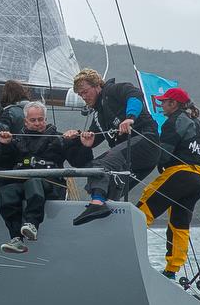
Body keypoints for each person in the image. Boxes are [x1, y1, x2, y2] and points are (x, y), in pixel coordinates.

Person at [137, 88, 200, 279]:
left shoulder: (173, 122)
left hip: (178, 173)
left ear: (173, 104)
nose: (161, 105)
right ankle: (172, 271)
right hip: (198, 180)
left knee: (143, 210)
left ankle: (123, 249)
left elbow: (165, 152)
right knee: (179, 224)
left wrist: (160, 164)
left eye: (164, 102)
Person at [63, 69, 160, 225]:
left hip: (145, 141)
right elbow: (92, 141)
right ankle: (107, 208)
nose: (84, 97)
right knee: (96, 171)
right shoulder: (98, 116)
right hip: (132, 157)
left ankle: (97, 204)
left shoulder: (113, 90)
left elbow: (135, 96)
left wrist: (130, 118)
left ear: (97, 86)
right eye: (80, 95)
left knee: (100, 166)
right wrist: (82, 141)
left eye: (85, 92)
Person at [0, 101, 92, 253]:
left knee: (33, 182)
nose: (37, 123)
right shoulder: (15, 140)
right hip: (22, 183)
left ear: (45, 120)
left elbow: (80, 162)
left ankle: (32, 224)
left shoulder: (59, 138)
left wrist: (84, 145)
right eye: (33, 120)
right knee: (6, 191)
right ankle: (16, 238)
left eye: (40, 119)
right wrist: (5, 145)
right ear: (25, 121)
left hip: (51, 185)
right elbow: (3, 163)